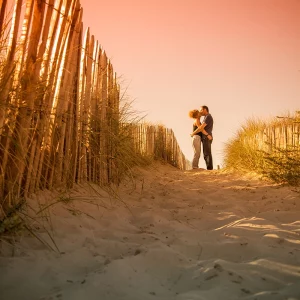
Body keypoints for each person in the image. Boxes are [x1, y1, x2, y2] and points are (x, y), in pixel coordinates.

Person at [190, 106, 214, 170]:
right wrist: (193, 133)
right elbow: (200, 128)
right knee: (199, 153)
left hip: (203, 137)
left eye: (201, 110)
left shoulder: (207, 117)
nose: (200, 112)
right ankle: (195, 166)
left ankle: (208, 168)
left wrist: (207, 135)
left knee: (206, 153)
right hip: (198, 137)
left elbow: (201, 128)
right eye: (199, 112)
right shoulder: (197, 120)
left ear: (205, 109)